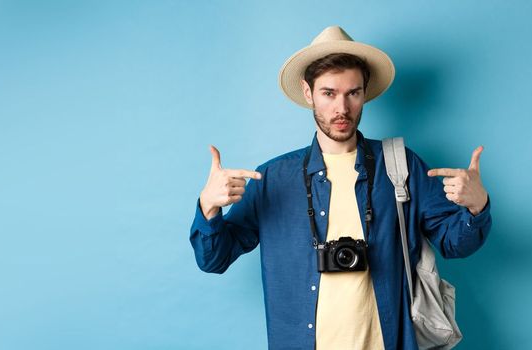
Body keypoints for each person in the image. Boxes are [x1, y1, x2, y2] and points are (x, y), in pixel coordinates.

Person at [189, 26, 492, 350]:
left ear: (365, 93)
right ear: (309, 93)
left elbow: (454, 244)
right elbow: (214, 260)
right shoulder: (273, 179)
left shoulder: (400, 166)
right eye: (329, 93)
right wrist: (209, 207)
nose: (342, 108)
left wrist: (477, 207)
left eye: (353, 93)